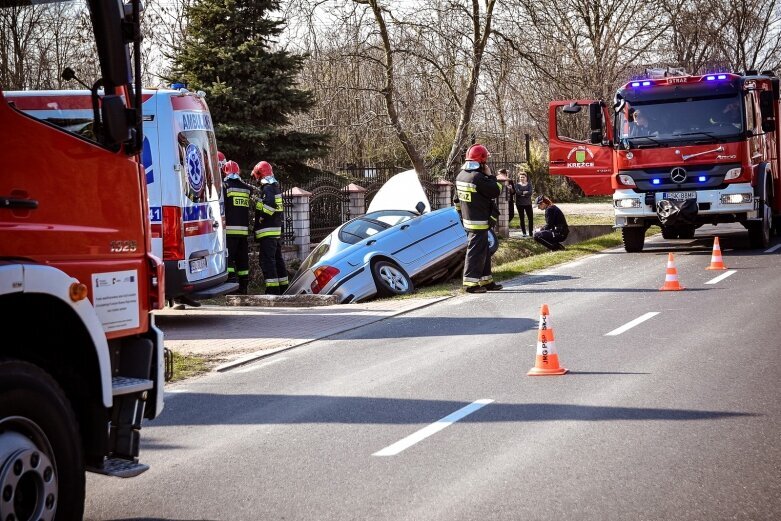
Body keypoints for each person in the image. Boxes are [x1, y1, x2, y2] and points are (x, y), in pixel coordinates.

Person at [454, 144, 503, 293]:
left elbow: (456, 200)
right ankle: (471, 284)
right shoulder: (479, 178)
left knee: (484, 251)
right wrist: (490, 175)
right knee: (475, 252)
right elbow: (496, 190)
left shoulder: (461, 175)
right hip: (479, 222)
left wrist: (462, 217)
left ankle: (487, 281)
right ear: (481, 161)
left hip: (469, 221)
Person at [252, 161, 288, 295]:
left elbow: (270, 205)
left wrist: (262, 217)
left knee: (268, 261)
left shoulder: (267, 188)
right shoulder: (274, 187)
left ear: (259, 174)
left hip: (267, 231)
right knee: (277, 259)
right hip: (275, 231)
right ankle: (283, 287)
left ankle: (272, 290)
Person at [222, 160, 252, 295]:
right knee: (242, 259)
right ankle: (243, 286)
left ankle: (231, 284)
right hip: (243, 231)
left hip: (229, 231)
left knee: (228, 259)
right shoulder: (246, 189)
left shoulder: (225, 187)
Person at [515, 171, 534, 237]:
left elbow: (530, 192)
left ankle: (531, 233)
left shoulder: (529, 184)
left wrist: (522, 193)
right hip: (519, 204)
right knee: (522, 218)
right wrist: (525, 192)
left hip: (528, 203)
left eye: (523, 177)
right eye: (521, 177)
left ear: (526, 178)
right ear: (519, 178)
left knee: (530, 218)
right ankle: (524, 233)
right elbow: (517, 192)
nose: (522, 178)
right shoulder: (517, 185)